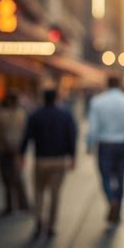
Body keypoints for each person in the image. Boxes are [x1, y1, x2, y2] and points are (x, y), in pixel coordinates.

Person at [21, 89, 76, 238]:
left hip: (41, 159)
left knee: (38, 191)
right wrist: (73, 157)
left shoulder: (35, 115)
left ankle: (39, 219)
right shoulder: (65, 115)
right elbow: (71, 137)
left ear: (43, 98)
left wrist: (22, 154)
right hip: (59, 160)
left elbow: (26, 136)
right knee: (55, 193)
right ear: (56, 98)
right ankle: (51, 225)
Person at [87, 75, 124, 223]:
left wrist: (90, 145)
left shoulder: (97, 102)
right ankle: (118, 205)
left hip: (105, 144)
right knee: (121, 176)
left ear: (106, 84)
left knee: (105, 176)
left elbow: (93, 127)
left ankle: (111, 201)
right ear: (120, 83)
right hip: (122, 143)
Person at [0, 92, 29, 214]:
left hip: (8, 150)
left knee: (10, 179)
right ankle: (20, 204)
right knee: (15, 178)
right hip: (14, 150)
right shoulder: (21, 114)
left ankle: (14, 205)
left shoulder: (4, 115)